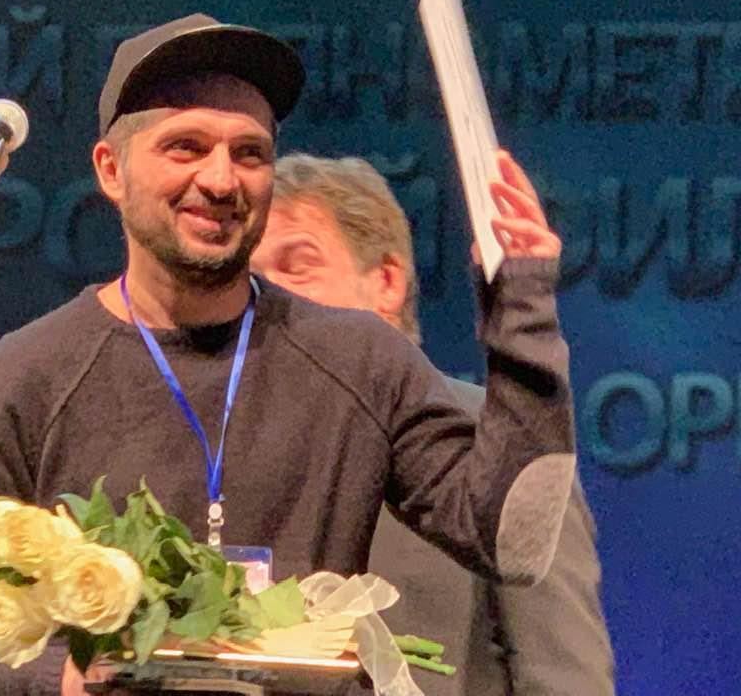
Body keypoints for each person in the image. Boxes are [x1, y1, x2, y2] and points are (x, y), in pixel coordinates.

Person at [0, 14, 578, 696]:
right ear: (111, 170)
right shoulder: (19, 381)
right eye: (186, 147)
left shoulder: (361, 361)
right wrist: (63, 680)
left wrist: (523, 308)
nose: (222, 180)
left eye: (250, 153)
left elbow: (511, 540)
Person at [250, 154, 615, 696]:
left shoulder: (495, 438)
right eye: (250, 278)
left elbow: (565, 676)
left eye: (298, 264)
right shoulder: (230, 449)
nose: (268, 294)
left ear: (386, 281)